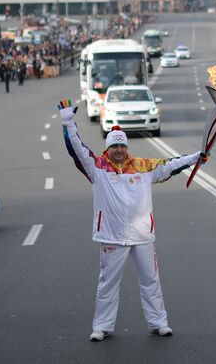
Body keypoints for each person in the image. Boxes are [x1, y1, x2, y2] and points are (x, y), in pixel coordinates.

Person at [58, 98, 203, 342]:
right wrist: (68, 122)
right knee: (107, 284)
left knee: (151, 281)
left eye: (122, 146)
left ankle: (159, 323)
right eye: (115, 146)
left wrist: (197, 156)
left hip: (142, 235)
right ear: (108, 148)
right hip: (112, 235)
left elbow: (172, 165)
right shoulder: (97, 167)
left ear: (126, 147)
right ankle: (102, 327)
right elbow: (76, 149)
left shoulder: (143, 167)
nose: (119, 150)